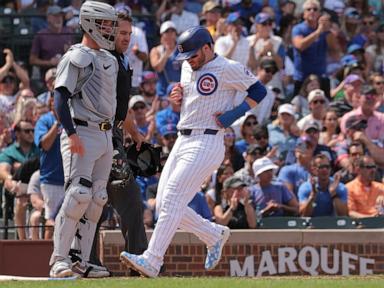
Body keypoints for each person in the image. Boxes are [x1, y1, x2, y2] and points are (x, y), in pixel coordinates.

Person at [120, 26, 267, 278]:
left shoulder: (227, 67)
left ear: (208, 47)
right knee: (165, 204)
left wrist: (235, 113)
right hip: (182, 137)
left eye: (193, 54)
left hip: (208, 140)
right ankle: (214, 234)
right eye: (185, 56)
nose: (188, 60)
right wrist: (177, 96)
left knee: (173, 199)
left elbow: (258, 90)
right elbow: (191, 96)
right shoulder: (189, 66)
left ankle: (153, 260)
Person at [49, 1, 119, 278]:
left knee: (97, 199)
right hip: (83, 131)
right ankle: (59, 261)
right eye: (105, 24)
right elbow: (59, 98)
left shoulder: (109, 58)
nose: (109, 30)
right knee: (78, 195)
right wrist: (71, 134)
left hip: (104, 134)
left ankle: (82, 261)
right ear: (90, 23)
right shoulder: (76, 56)